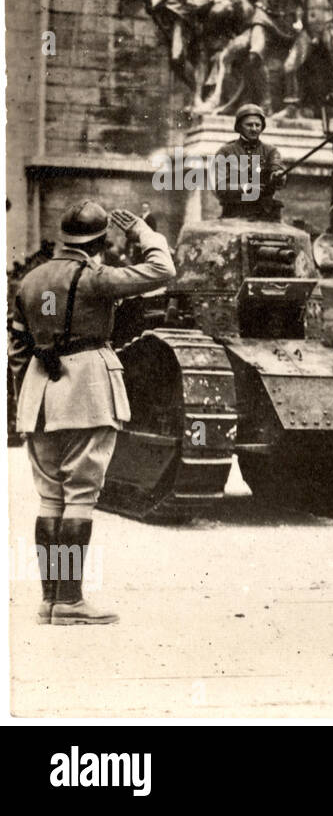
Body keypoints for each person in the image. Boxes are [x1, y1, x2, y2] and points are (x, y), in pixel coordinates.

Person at [8, 203, 176, 624]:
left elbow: (17, 348)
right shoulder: (97, 278)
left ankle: (50, 599)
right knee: (80, 496)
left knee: (50, 498)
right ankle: (71, 601)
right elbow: (162, 270)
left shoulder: (31, 281)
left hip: (39, 394)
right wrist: (143, 232)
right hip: (85, 390)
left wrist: (25, 399)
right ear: (100, 242)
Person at [213, 103, 287, 219]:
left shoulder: (270, 151)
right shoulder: (225, 152)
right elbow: (221, 188)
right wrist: (247, 188)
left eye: (257, 125)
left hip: (266, 216)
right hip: (234, 215)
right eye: (249, 125)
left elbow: (276, 166)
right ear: (239, 126)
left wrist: (278, 176)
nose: (254, 129)